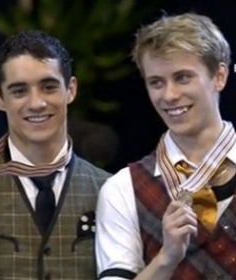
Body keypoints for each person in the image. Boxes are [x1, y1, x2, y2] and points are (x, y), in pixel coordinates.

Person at [0, 30, 111, 279]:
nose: (36, 103)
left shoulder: (110, 190)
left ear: (70, 90)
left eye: (48, 87)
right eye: (19, 91)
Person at [95, 12, 236, 279]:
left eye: (183, 78)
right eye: (156, 83)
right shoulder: (122, 190)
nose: (169, 96)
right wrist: (166, 259)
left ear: (219, 76)